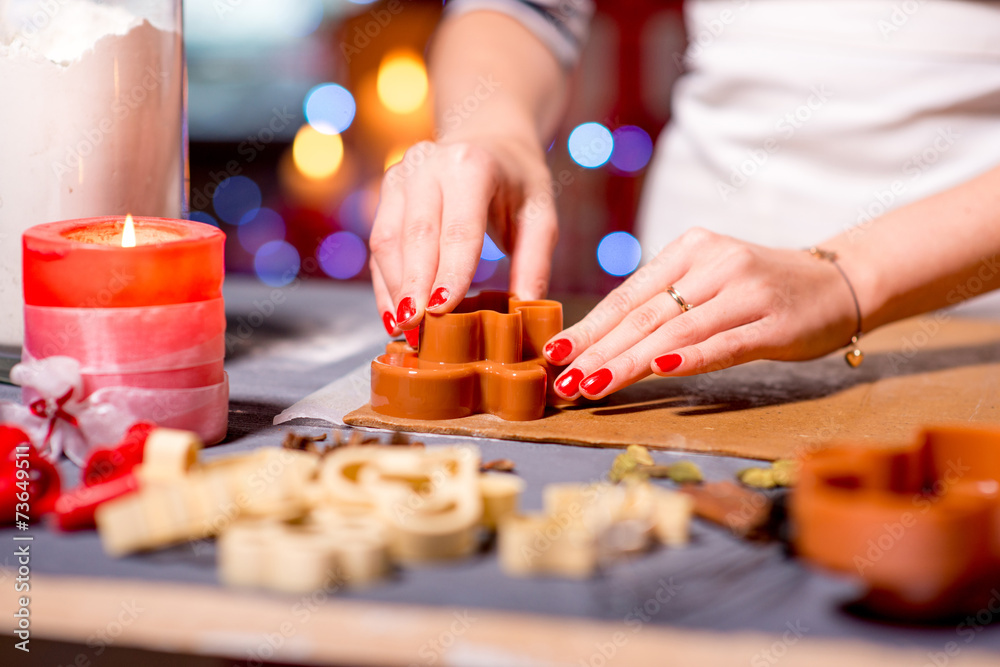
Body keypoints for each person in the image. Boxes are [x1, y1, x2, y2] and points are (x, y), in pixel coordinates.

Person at [367, 0, 1000, 401]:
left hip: (965, 329)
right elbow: (523, 10)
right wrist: (493, 129)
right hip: (678, 331)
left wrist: (849, 278)